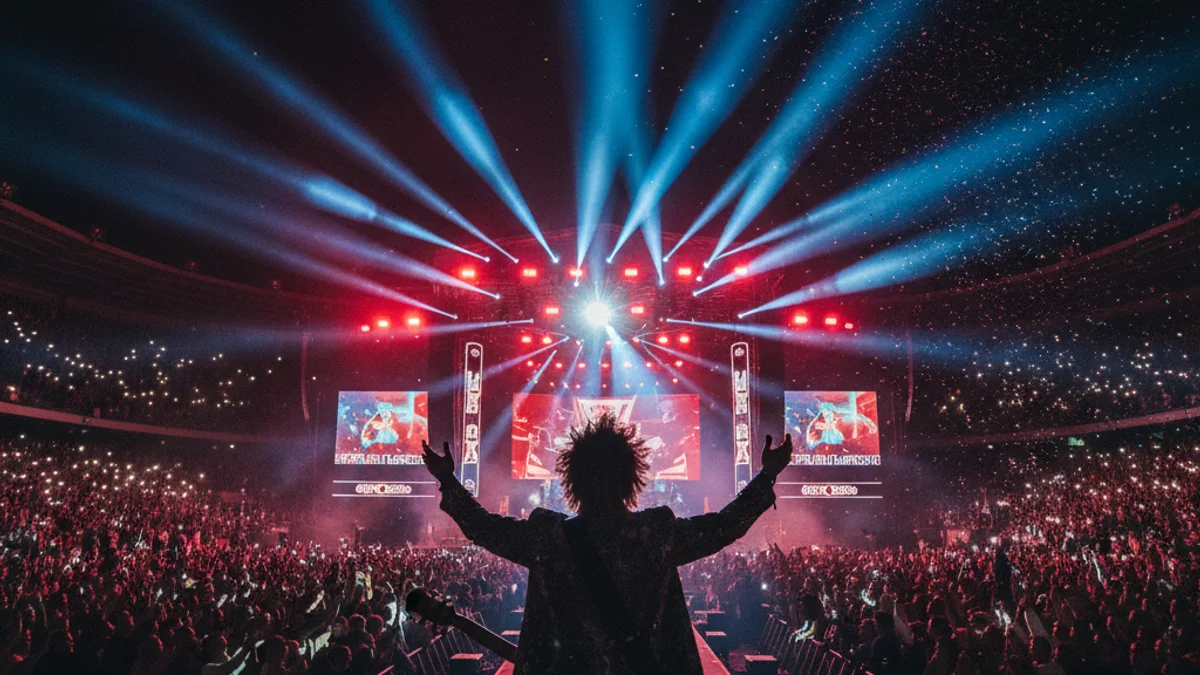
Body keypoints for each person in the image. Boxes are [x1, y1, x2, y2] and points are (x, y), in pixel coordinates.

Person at [421, 413, 792, 675]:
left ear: (572, 479)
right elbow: (725, 526)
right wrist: (766, 476)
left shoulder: (548, 538)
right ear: (631, 478)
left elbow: (483, 528)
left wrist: (448, 481)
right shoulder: (656, 535)